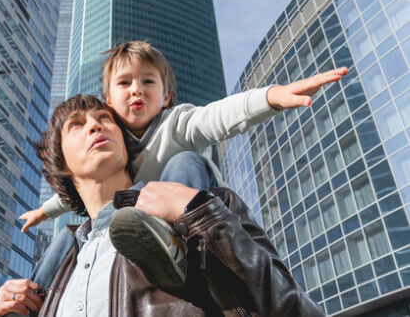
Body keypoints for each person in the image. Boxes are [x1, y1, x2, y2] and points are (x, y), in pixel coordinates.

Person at [20, 40, 347, 287]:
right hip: (139, 218)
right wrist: (44, 211)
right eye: (124, 83)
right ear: (109, 101)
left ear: (165, 96)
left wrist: (272, 98)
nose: (137, 90)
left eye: (148, 82)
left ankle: (175, 244)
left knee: (184, 160)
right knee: (72, 233)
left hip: (191, 206)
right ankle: (33, 295)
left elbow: (219, 116)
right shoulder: (112, 142)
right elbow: (80, 186)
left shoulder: (176, 122)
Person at [0, 95, 323, 317]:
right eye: (77, 125)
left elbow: (292, 310)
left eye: (105, 119)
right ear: (59, 163)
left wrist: (200, 214)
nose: (95, 125)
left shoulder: (206, 206)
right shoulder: (58, 269)